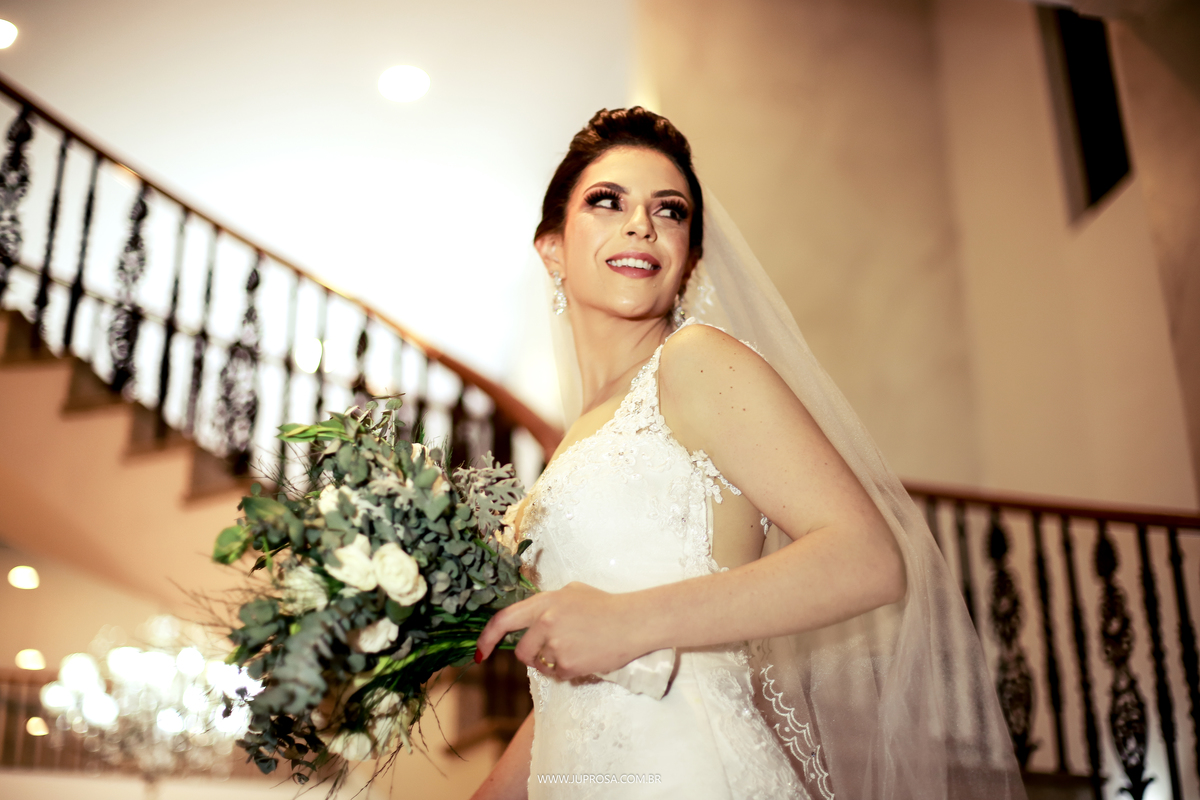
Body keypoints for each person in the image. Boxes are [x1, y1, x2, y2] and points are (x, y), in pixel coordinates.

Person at [471, 108, 1024, 800]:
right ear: (551, 247)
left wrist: (630, 620)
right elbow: (574, 697)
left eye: (669, 211)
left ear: (690, 261)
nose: (641, 224)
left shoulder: (694, 363)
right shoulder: (574, 443)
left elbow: (869, 559)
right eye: (607, 201)